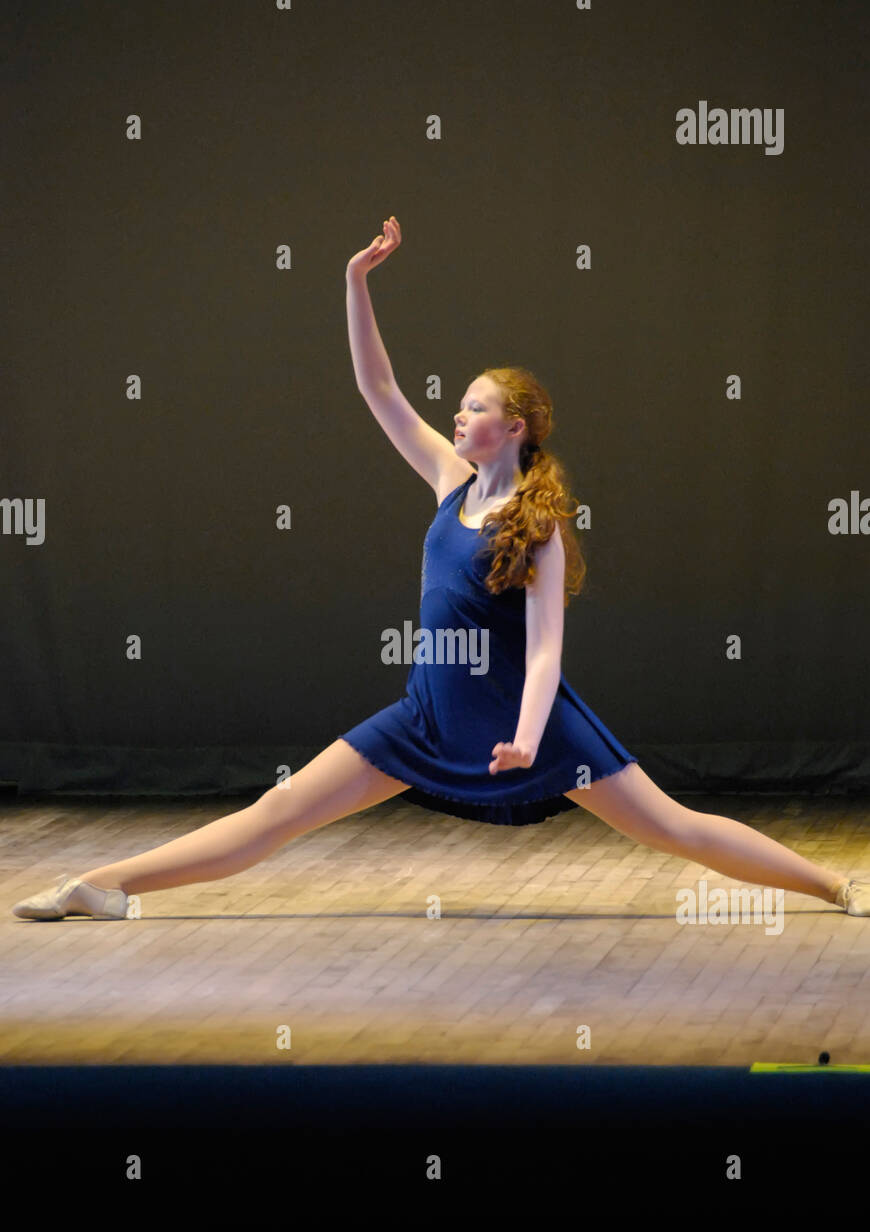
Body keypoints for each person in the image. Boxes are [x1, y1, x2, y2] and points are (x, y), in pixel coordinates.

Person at [12, 216, 869, 922]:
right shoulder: (446, 480)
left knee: (673, 828)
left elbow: (543, 653)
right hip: (427, 715)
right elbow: (379, 389)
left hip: (524, 725)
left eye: (475, 406)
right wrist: (356, 281)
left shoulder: (538, 528)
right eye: (457, 405)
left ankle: (834, 884)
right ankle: (106, 886)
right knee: (275, 815)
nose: (456, 415)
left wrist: (532, 737)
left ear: (518, 426)